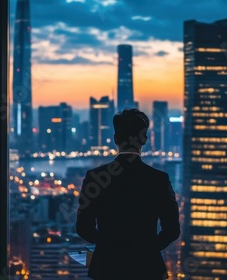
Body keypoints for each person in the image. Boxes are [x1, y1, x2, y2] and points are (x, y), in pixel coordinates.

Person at [76, 108, 180, 280]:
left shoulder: (95, 177)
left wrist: (108, 245)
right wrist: (147, 248)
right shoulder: (159, 180)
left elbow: (83, 228)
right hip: (147, 268)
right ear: (144, 140)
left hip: (107, 267)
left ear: (116, 139)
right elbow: (172, 230)